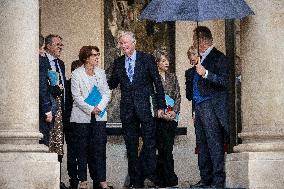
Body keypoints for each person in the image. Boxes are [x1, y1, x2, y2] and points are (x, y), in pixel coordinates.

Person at [108, 31, 166, 188]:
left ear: (134, 43)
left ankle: (147, 172)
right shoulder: (118, 62)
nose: (123, 45)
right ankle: (136, 182)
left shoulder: (146, 58)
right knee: (131, 147)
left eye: (126, 42)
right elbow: (111, 84)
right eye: (121, 43)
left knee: (149, 144)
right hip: (127, 111)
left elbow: (157, 83)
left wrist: (161, 106)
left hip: (145, 109)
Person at [185, 26, 229, 188]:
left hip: (211, 105)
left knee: (213, 142)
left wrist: (206, 73)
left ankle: (218, 180)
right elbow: (194, 89)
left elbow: (225, 81)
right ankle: (205, 178)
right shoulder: (199, 59)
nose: (193, 43)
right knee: (201, 143)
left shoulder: (218, 58)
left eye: (194, 39)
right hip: (199, 107)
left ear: (201, 40)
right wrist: (195, 109)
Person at [70, 46, 112, 189]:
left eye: (98, 55)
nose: (97, 57)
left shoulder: (100, 73)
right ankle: (83, 181)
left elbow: (107, 92)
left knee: (99, 149)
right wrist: (90, 109)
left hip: (99, 116)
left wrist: (99, 108)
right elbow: (76, 97)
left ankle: (102, 180)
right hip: (82, 117)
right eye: (94, 55)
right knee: (82, 149)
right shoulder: (77, 74)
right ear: (86, 57)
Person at [152, 47, 180, 188]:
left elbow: (178, 97)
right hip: (158, 119)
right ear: (157, 63)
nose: (167, 62)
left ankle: (169, 179)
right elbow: (151, 98)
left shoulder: (172, 77)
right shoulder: (152, 78)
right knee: (161, 149)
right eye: (163, 60)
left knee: (168, 149)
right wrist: (160, 113)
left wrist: (174, 112)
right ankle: (162, 179)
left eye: (167, 60)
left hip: (171, 118)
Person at [39, 34, 66, 154]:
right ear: (48, 46)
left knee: (57, 147)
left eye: (61, 45)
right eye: (57, 45)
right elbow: (42, 86)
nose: (60, 47)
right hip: (47, 109)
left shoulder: (60, 63)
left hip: (59, 109)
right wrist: (47, 108)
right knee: (47, 143)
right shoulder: (42, 61)